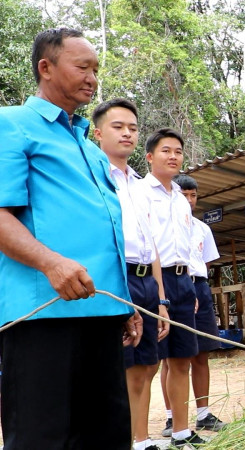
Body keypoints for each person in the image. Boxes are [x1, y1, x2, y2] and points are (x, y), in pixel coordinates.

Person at [0, 28, 140, 449]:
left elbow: (106, 231)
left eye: (96, 69)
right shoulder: (11, 125)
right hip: (43, 313)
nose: (92, 78)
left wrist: (125, 300)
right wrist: (50, 263)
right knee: (42, 436)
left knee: (107, 432)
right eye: (82, 67)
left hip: (103, 310)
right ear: (46, 68)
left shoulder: (90, 147)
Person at [92, 98, 171, 450]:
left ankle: (141, 439)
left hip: (145, 281)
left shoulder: (141, 184)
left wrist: (162, 299)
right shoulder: (92, 175)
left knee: (148, 365)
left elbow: (151, 243)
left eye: (133, 128)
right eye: (117, 126)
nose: (127, 133)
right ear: (97, 133)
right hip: (115, 277)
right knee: (119, 367)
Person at [142, 128, 204, 447]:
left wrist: (190, 287)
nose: (173, 156)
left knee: (182, 359)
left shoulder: (181, 199)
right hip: (152, 279)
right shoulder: (140, 192)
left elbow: (187, 248)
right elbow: (147, 246)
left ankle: (181, 432)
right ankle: (140, 438)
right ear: (150, 156)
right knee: (149, 363)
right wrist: (160, 295)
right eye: (166, 151)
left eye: (178, 151)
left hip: (183, 281)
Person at [160, 174, 226, 433]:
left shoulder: (202, 228)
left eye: (193, 195)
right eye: (184, 194)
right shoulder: (164, 224)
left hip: (198, 285)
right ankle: (170, 417)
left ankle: (204, 413)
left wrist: (195, 287)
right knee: (171, 357)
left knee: (202, 353)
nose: (189, 199)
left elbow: (205, 261)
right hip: (172, 284)